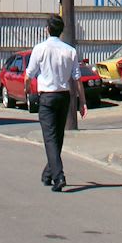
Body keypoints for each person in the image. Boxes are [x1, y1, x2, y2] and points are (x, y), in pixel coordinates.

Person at [25, 14, 86, 192]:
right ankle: (48, 173)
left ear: (47, 29)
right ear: (61, 31)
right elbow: (77, 79)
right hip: (64, 96)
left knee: (50, 138)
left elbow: (29, 74)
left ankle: (59, 176)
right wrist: (82, 102)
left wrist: (27, 89)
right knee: (57, 136)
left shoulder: (40, 49)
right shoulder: (70, 50)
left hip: (47, 97)